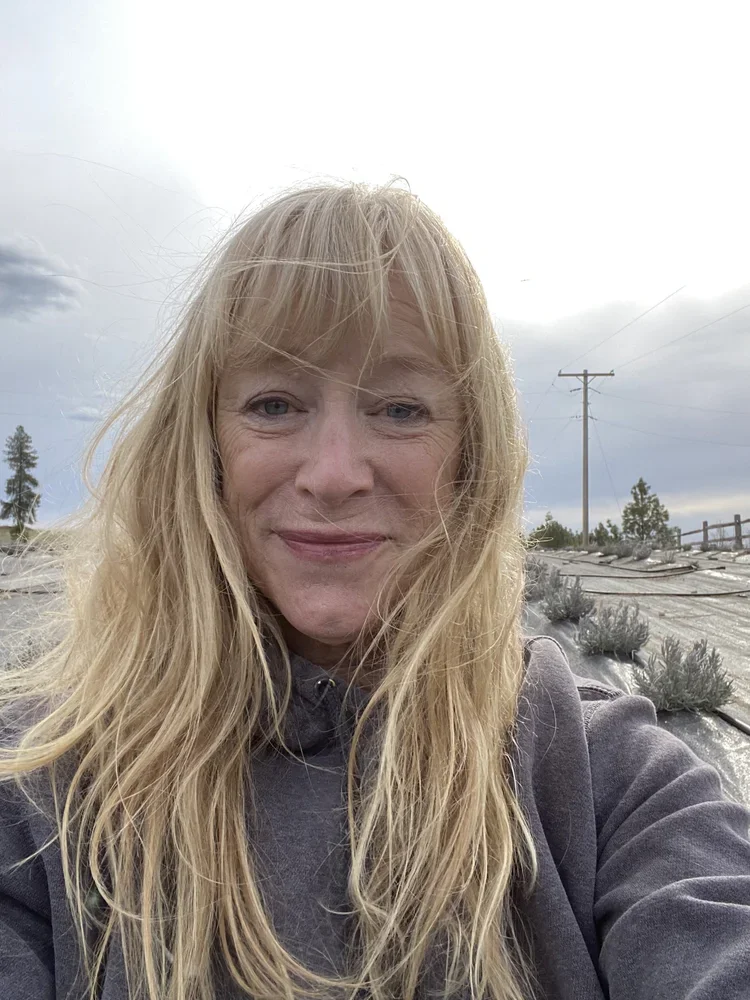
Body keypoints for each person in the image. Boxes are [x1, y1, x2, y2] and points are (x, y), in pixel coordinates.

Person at [0, 181, 748, 1000]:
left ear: (471, 455)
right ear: (205, 445)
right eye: (274, 404)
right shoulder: (43, 793)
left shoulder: (603, 777)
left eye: (399, 409)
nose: (331, 476)